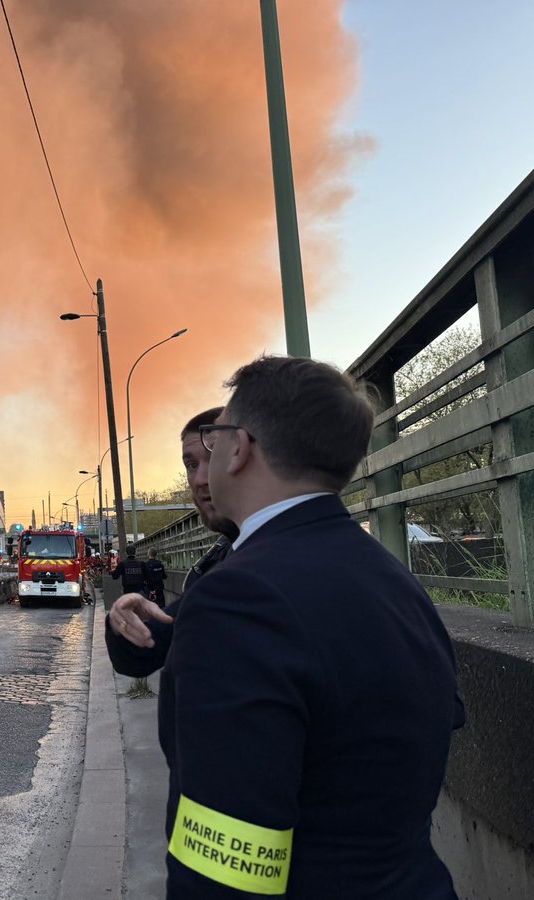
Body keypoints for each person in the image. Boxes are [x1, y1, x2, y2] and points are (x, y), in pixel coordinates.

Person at [160, 356, 462, 898]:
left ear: (241, 448)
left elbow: (228, 863)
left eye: (215, 438)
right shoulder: (395, 580)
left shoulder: (237, 597)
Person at [106, 407, 238, 676]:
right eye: (191, 465)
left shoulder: (250, 562)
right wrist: (119, 619)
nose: (201, 480)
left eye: (214, 459)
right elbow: (144, 651)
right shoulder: (219, 558)